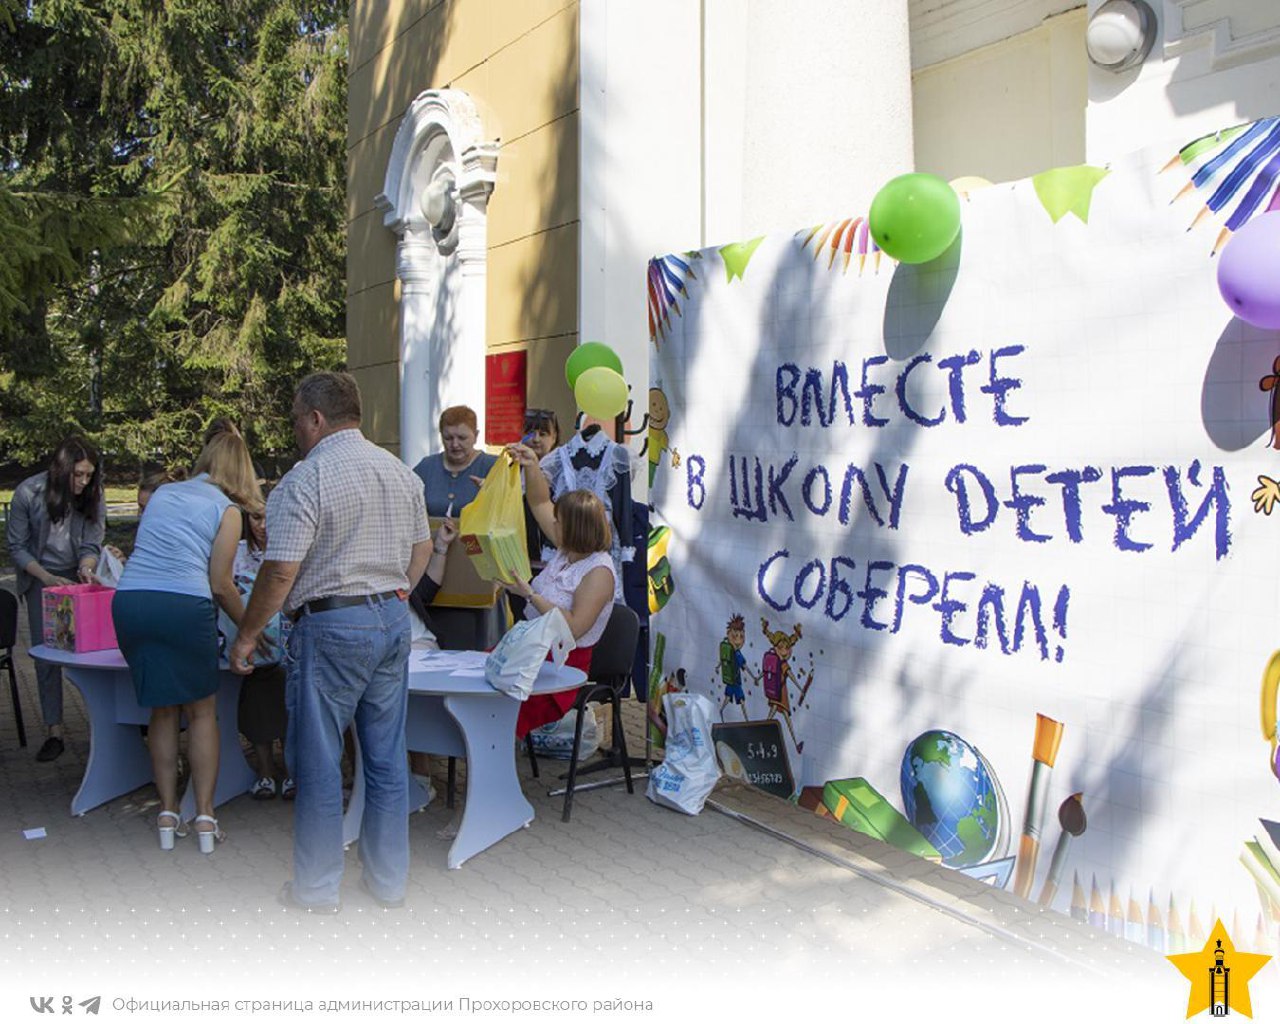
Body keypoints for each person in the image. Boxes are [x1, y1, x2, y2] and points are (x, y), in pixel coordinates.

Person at [229, 371, 432, 914]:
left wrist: (247, 635)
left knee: (318, 763)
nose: (294, 429)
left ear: (316, 419)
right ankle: (389, 883)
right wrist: (397, 592)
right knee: (387, 759)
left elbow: (277, 574)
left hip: (332, 625)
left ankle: (317, 890)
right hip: (391, 621)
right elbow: (424, 546)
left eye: (296, 418)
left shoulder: (306, 478)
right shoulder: (400, 473)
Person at [112, 430, 263, 852]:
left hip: (131, 602)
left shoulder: (164, 494)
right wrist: (251, 630)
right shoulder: (227, 509)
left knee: (162, 710)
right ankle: (204, 816)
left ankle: (165, 812)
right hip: (183, 606)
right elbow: (221, 584)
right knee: (201, 713)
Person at [501, 444, 617, 737]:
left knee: (494, 703)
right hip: (530, 650)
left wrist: (530, 594)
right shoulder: (568, 549)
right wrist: (532, 465)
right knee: (478, 679)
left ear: (575, 528)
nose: (553, 523)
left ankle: (489, 760)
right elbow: (540, 502)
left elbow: (574, 628)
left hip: (560, 667)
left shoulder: (598, 572)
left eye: (559, 521)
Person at [6, 435, 106, 762]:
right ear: (62, 470)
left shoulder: (93, 492)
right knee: (47, 654)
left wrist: (87, 567)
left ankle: (103, 727)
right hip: (41, 578)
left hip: (77, 575)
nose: (83, 481)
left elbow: (93, 540)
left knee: (91, 651)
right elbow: (17, 547)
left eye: (88, 475)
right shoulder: (28, 492)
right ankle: (54, 730)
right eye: (77, 475)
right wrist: (47, 579)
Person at [410, 405, 501, 650]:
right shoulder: (426, 467)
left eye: (462, 438)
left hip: (475, 577)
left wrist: (491, 496)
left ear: (477, 435)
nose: (455, 444)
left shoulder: (493, 467)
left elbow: (508, 516)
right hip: (429, 577)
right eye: (448, 437)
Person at [222, 494, 293, 802]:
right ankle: (264, 770)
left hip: (287, 644)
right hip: (250, 645)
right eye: (255, 518)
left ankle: (292, 771)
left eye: (268, 517)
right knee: (256, 700)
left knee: (290, 700)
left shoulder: (290, 549)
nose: (263, 526)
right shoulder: (235, 554)